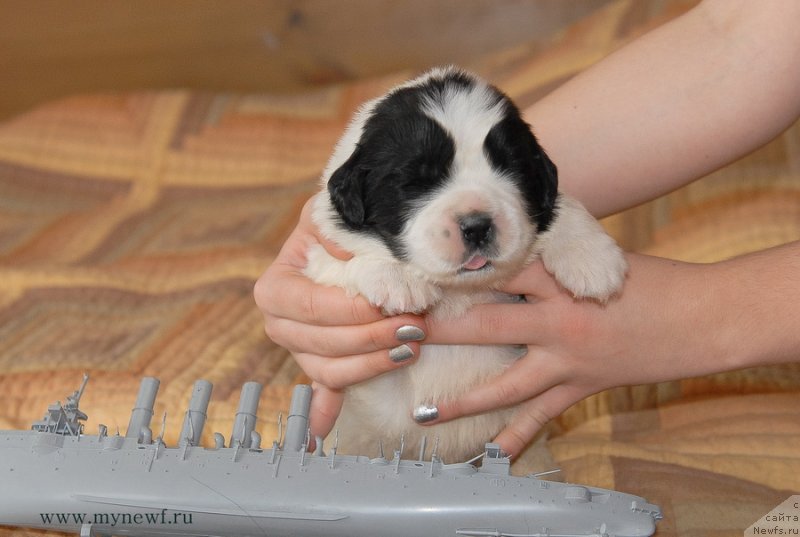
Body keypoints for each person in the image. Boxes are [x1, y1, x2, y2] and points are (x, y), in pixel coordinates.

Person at [254, 0, 800, 457]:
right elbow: (740, 39)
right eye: (417, 184)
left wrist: (702, 317)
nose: (475, 216)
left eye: (506, 171)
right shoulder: (364, 195)